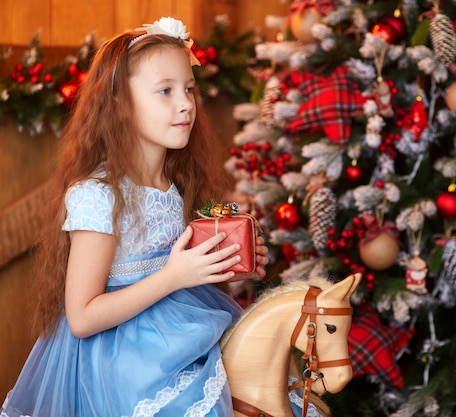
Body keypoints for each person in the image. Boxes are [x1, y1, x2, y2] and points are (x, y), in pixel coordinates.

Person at [1, 17, 270, 417]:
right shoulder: (98, 195)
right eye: (165, 91)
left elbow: (174, 264)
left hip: (177, 333)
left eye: (189, 89)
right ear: (120, 106)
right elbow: (82, 317)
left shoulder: (174, 183)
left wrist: (224, 264)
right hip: (118, 362)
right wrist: (176, 276)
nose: (185, 104)